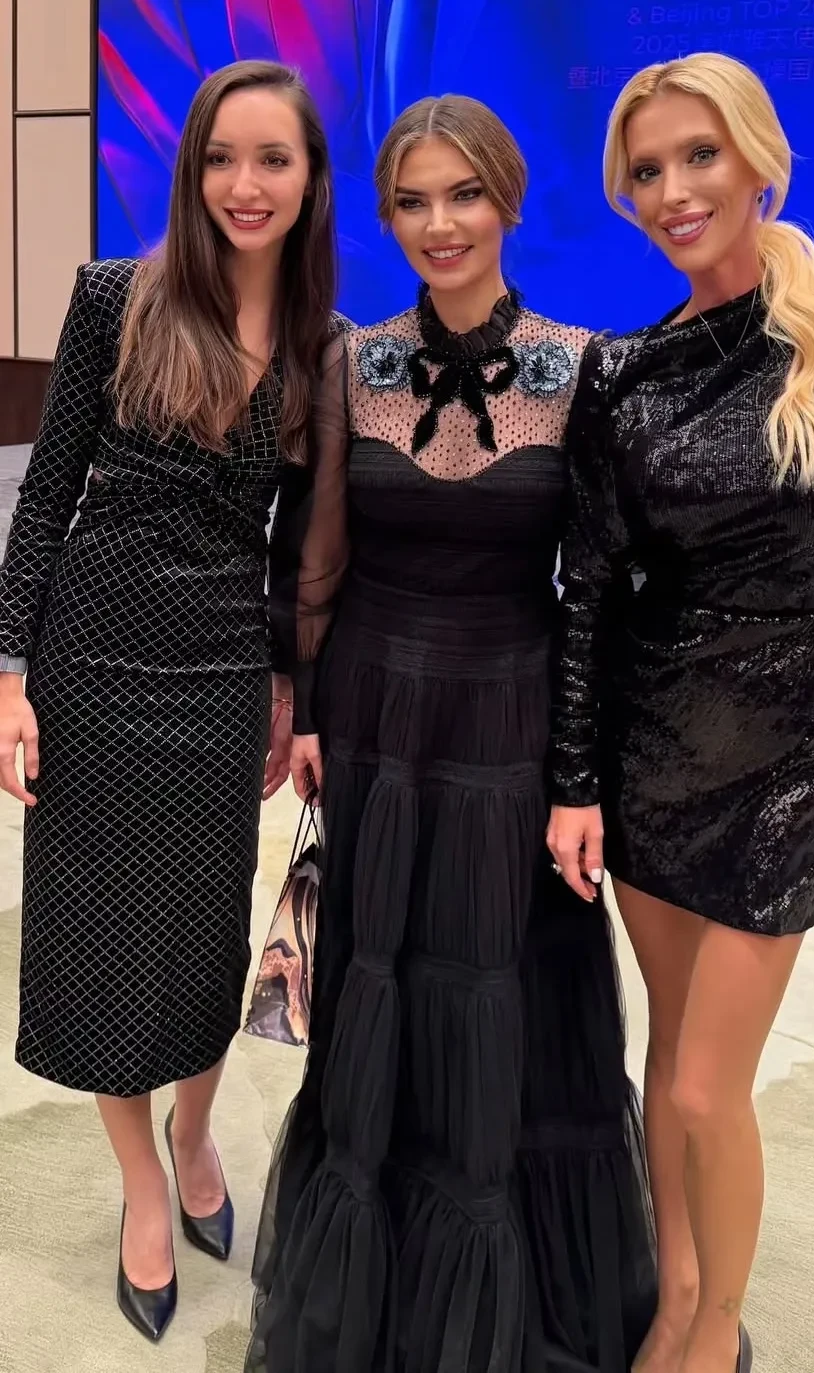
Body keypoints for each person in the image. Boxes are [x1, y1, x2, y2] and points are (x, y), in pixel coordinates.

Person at [247, 94, 658, 1373]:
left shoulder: (581, 365)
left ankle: (490, 1304)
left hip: (508, 719)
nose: (440, 223)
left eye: (463, 194)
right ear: (385, 217)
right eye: (412, 201)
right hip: (376, 716)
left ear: (508, 199)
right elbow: (316, 552)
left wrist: (580, 767)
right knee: (378, 987)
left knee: (497, 998)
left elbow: (595, 587)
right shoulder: (350, 361)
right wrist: (310, 705)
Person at [546, 53, 814, 1373]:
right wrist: (573, 778)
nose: (672, 190)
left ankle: (712, 1333)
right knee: (668, 1062)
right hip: (649, 746)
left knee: (709, 1084)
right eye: (645, 171)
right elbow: (588, 594)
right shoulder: (623, 375)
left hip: (790, 757)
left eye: (697, 156)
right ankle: (675, 1299)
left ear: (759, 157)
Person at [0, 61, 346, 1342]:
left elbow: (297, 550)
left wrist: (289, 685)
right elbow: (47, 493)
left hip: (219, 673)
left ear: (309, 180)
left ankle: (196, 1131)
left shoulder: (321, 344)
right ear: (192, 170)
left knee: (201, 934)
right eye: (220, 158)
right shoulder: (116, 298)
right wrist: (9, 673)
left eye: (273, 159)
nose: (244, 185)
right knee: (97, 938)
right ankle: (142, 1181)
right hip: (92, 661)